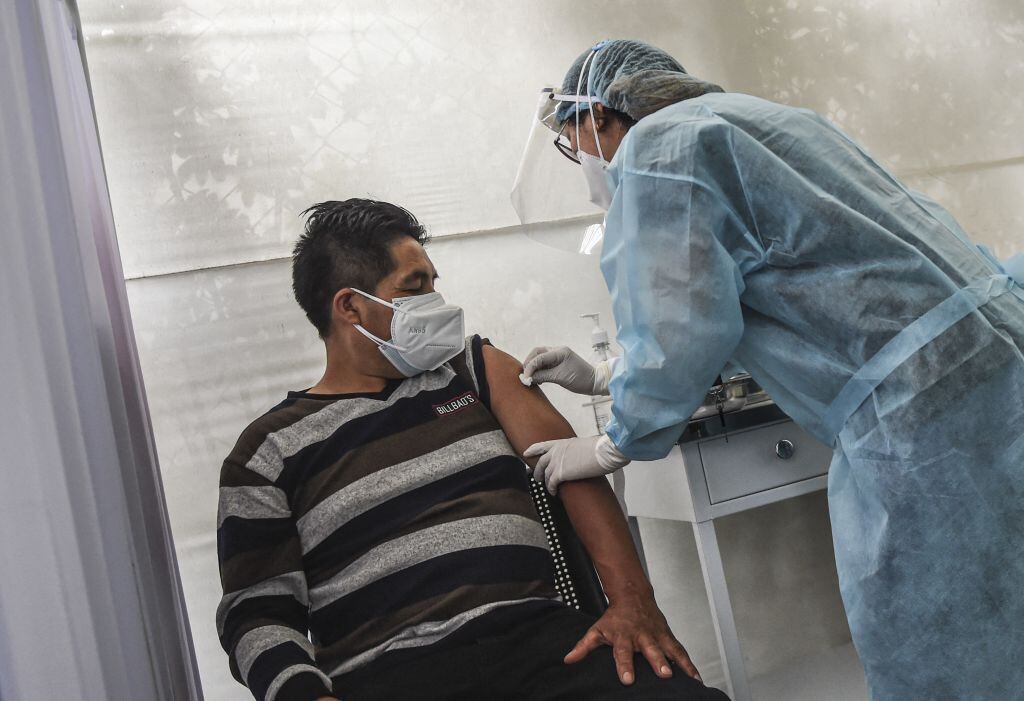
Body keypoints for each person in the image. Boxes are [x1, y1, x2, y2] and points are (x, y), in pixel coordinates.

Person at [519, 39, 1024, 699]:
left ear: (600, 112)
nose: (581, 163)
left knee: (979, 635)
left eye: (572, 140)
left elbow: (680, 323)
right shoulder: (756, 121)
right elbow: (773, 291)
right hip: (1008, 363)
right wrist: (606, 375)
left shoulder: (656, 151)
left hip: (929, 407)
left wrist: (613, 442)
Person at [215, 198, 728, 701]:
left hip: (543, 647)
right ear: (350, 306)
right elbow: (256, 613)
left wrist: (633, 602)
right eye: (414, 288)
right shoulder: (268, 452)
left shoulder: (472, 370)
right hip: (387, 674)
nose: (436, 302)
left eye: (434, 283)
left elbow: (574, 475)